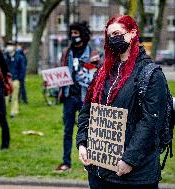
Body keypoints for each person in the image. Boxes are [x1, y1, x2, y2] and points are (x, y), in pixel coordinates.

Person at [76, 15, 167, 189]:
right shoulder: (104, 72)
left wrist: (129, 159)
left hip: (134, 176)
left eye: (117, 33)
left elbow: (150, 123)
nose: (113, 39)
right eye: (109, 36)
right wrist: (82, 143)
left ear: (132, 33)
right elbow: (87, 109)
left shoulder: (151, 75)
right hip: (98, 172)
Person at [55, 22, 94, 172]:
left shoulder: (92, 53)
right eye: (72, 33)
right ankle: (66, 162)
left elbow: (97, 74)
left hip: (86, 98)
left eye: (77, 33)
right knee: (67, 131)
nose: (74, 36)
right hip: (69, 97)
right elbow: (61, 71)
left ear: (83, 35)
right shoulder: (66, 53)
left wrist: (87, 70)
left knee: (88, 130)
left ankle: (89, 162)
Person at [4, 41, 25, 118]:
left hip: (15, 79)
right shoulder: (5, 57)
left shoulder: (19, 57)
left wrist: (19, 78)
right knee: (5, 96)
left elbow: (22, 69)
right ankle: (4, 110)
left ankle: (14, 111)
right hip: (6, 80)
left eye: (11, 45)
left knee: (14, 96)